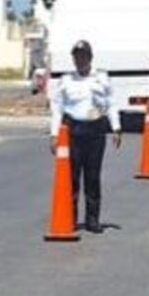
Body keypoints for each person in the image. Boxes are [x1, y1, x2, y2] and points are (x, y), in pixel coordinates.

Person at [49, 39, 122, 233]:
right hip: (73, 130)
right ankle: (70, 218)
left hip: (96, 129)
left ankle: (92, 220)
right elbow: (57, 109)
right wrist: (54, 135)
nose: (80, 60)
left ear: (90, 57)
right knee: (72, 177)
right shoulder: (66, 80)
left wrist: (116, 128)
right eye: (76, 57)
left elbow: (111, 103)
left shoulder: (102, 78)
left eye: (83, 56)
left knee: (93, 176)